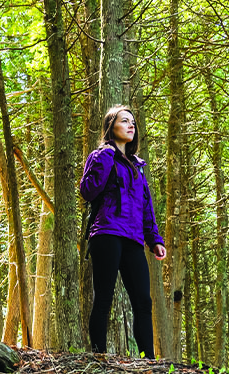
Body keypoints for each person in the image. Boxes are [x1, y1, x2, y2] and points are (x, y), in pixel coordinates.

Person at [78, 105, 167, 358]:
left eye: (133, 122)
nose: (131, 126)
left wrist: (154, 239)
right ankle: (99, 357)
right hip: (106, 233)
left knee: (143, 300)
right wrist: (107, 155)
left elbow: (146, 206)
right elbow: (87, 191)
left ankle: (149, 362)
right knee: (104, 297)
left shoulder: (138, 166)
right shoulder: (100, 156)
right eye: (124, 121)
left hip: (133, 239)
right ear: (111, 126)